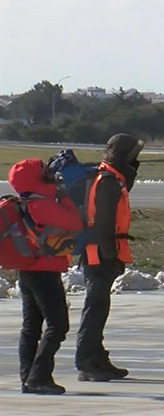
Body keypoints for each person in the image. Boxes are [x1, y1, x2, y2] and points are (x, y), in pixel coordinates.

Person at [76, 133, 142, 382]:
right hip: (100, 255)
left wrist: (131, 166)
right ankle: (86, 362)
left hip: (101, 252)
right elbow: (102, 222)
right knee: (95, 308)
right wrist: (111, 255)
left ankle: (96, 357)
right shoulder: (107, 181)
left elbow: (126, 184)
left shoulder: (111, 176)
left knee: (99, 308)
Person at [12, 159, 82, 394]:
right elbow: (74, 221)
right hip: (45, 271)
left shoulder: (25, 203)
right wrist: (63, 195)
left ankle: (28, 378)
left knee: (31, 326)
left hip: (27, 269)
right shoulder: (42, 205)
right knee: (58, 324)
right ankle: (39, 376)